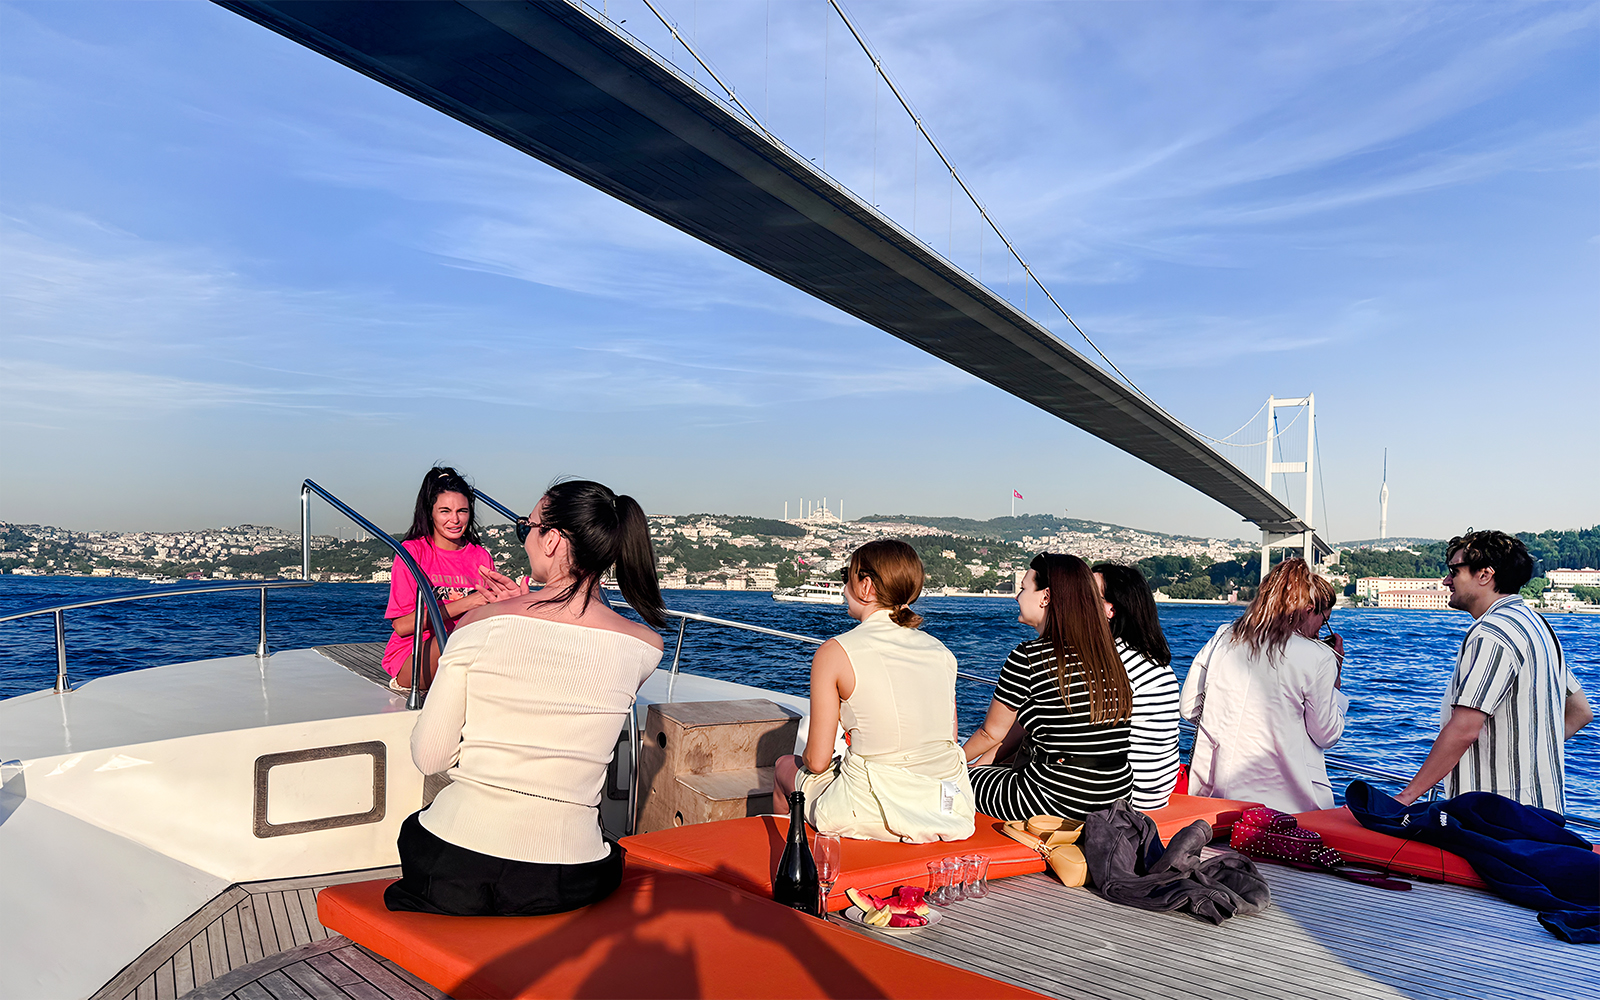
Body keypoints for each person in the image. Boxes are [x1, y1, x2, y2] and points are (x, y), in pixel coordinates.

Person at [384, 479, 667, 916]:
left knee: (415, 831)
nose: (525, 540)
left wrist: (503, 612)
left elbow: (430, 756)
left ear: (551, 540)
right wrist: (522, 610)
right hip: (572, 876)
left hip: (459, 867)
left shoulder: (478, 624)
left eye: (526, 528)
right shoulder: (646, 646)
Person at [772, 540, 975, 843]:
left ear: (866, 587)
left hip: (869, 810)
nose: (844, 589)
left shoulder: (835, 652)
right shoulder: (942, 653)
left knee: (783, 767)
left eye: (846, 577)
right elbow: (949, 737)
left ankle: (789, 861)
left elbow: (817, 761)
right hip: (944, 807)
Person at [1395, 530, 1592, 810]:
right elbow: (1581, 711)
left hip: (1495, 815)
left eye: (1454, 571)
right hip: (1543, 812)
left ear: (1485, 575)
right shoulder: (1538, 626)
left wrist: (1404, 798)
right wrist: (1526, 757)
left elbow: (1464, 728)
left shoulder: (1492, 633)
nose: (1446, 580)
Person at [963, 553, 1133, 821]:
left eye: (1023, 588)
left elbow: (990, 733)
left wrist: (951, 763)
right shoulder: (1107, 655)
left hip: (1057, 799)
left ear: (1046, 596)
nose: (1017, 597)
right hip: (1114, 796)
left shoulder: (1028, 657)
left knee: (960, 782)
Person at [1179, 558, 1345, 813]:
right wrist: (1335, 678)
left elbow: (1189, 707)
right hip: (1287, 807)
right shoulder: (1319, 657)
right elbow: (1327, 734)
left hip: (1216, 799)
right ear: (1309, 609)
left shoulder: (1223, 636)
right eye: (1323, 622)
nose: (1319, 633)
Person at [380, 467, 496, 692]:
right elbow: (402, 626)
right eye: (445, 511)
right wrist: (467, 603)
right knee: (454, 641)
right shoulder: (412, 553)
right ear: (430, 512)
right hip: (416, 653)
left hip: (466, 647)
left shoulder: (481, 557)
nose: (455, 519)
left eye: (462, 511)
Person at [1092, 562, 1181, 810]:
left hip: (1127, 799)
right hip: (1156, 792)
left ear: (1110, 609)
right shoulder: (1151, 659)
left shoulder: (1112, 664)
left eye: (1086, 594)